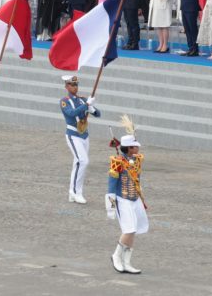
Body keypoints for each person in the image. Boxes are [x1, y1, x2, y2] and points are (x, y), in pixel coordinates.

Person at [107, 127, 147, 275]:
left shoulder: (137, 160)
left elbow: (137, 180)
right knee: (128, 229)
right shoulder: (117, 162)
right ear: (129, 148)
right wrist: (111, 206)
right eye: (135, 146)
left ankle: (127, 262)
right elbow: (111, 186)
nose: (138, 148)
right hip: (122, 199)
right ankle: (116, 255)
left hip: (135, 198)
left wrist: (141, 199)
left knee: (133, 230)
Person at [59, 75, 100, 204]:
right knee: (83, 161)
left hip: (84, 135)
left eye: (76, 85)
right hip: (73, 135)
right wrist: (86, 105)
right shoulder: (64, 101)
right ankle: (77, 192)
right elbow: (71, 113)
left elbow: (99, 115)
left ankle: (72, 192)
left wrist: (92, 108)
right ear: (66, 86)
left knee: (78, 163)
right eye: (72, 85)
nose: (75, 87)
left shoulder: (82, 99)